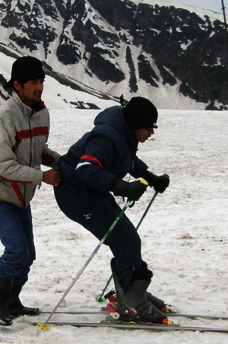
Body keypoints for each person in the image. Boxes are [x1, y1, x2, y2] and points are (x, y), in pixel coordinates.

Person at [55, 97, 170, 323]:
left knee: (128, 239)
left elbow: (128, 160)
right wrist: (124, 187)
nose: (151, 132)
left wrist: (151, 178)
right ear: (136, 124)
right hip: (76, 195)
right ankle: (130, 302)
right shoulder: (107, 137)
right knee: (125, 240)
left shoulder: (122, 134)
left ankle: (133, 293)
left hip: (91, 191)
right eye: (148, 127)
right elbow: (85, 168)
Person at [0, 56, 62, 326]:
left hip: (22, 196)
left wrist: (60, 161)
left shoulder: (41, 113)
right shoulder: (2, 118)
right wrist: (43, 176)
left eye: (41, 81)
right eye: (33, 82)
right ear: (17, 85)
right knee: (16, 251)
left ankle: (12, 301)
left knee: (28, 254)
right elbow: (3, 167)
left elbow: (38, 151)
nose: (39, 87)